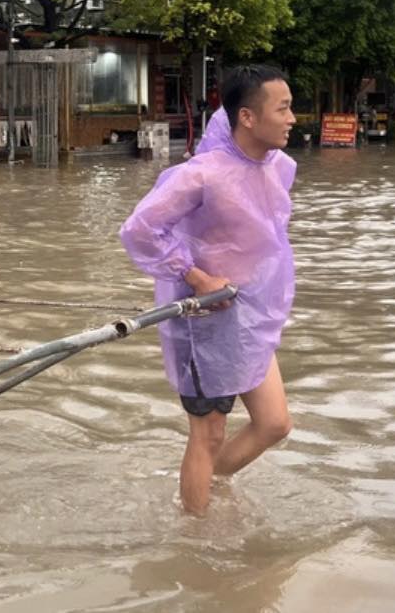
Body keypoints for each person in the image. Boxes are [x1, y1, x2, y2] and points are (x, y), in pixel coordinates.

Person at [120, 65, 298, 514]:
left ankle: (205, 481)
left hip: (250, 318)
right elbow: (140, 230)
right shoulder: (201, 175)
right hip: (204, 322)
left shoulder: (279, 168)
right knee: (208, 433)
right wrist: (196, 277)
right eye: (283, 109)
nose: (293, 118)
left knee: (274, 423)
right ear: (247, 117)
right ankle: (196, 534)